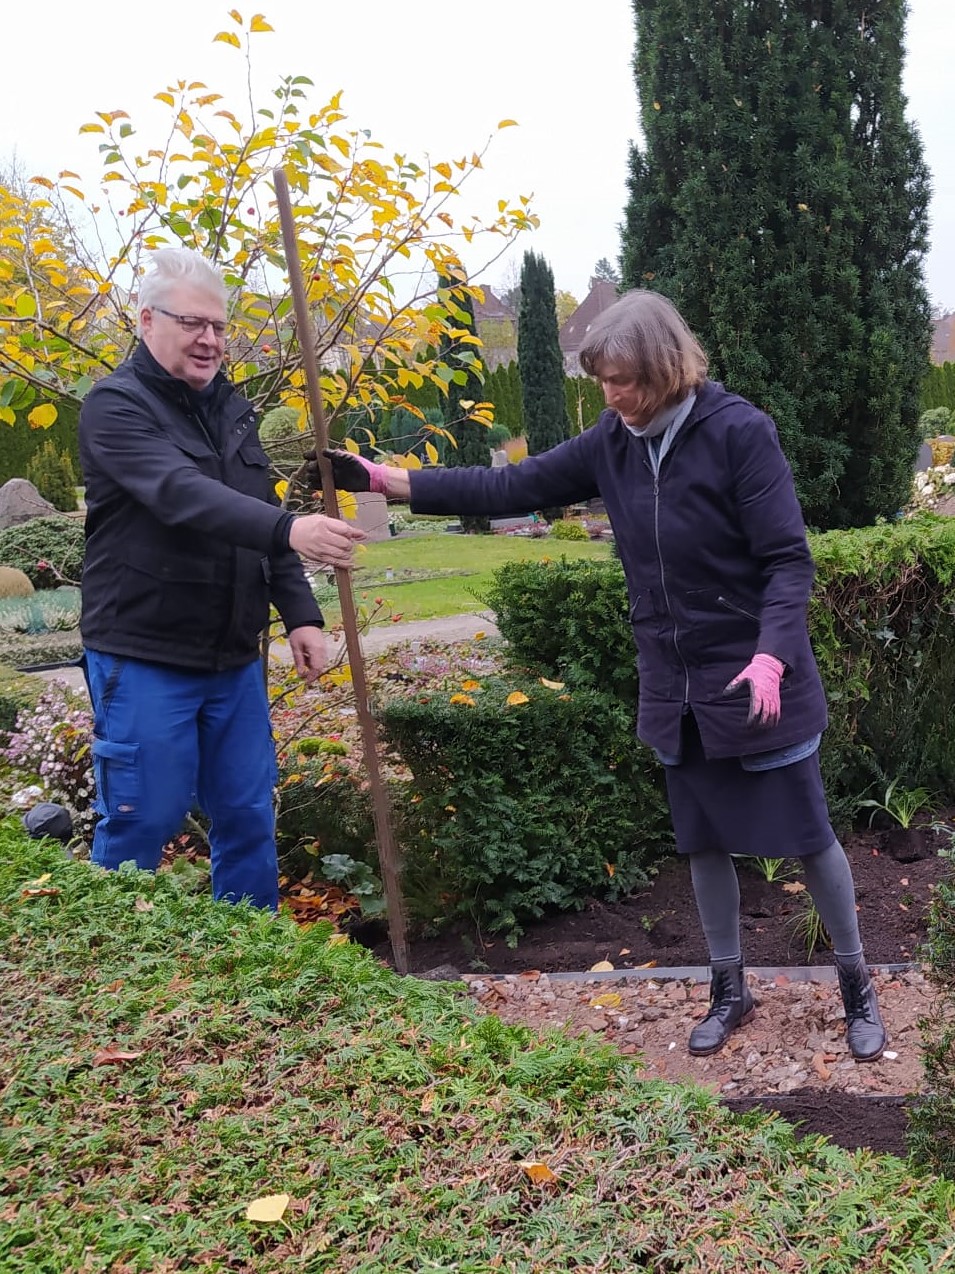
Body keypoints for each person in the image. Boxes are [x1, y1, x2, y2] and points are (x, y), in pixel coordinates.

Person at [320, 289, 886, 1062]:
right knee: (703, 839)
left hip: (757, 677)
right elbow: (512, 487)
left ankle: (856, 984)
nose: (612, 395)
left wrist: (769, 653)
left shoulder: (736, 433)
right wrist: (390, 483)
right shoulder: (612, 442)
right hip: (675, 683)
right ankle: (728, 988)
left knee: (808, 835)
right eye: (603, 381)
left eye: (624, 380)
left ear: (665, 368)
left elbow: (786, 560)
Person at [78, 248, 366, 909]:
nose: (210, 340)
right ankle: (113, 969)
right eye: (193, 324)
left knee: (245, 816)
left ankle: (248, 959)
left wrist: (300, 612)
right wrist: (291, 529)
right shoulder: (114, 409)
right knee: (142, 818)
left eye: (218, 326)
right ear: (147, 321)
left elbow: (258, 507)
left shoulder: (232, 410)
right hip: (145, 651)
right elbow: (179, 493)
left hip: (231, 658)